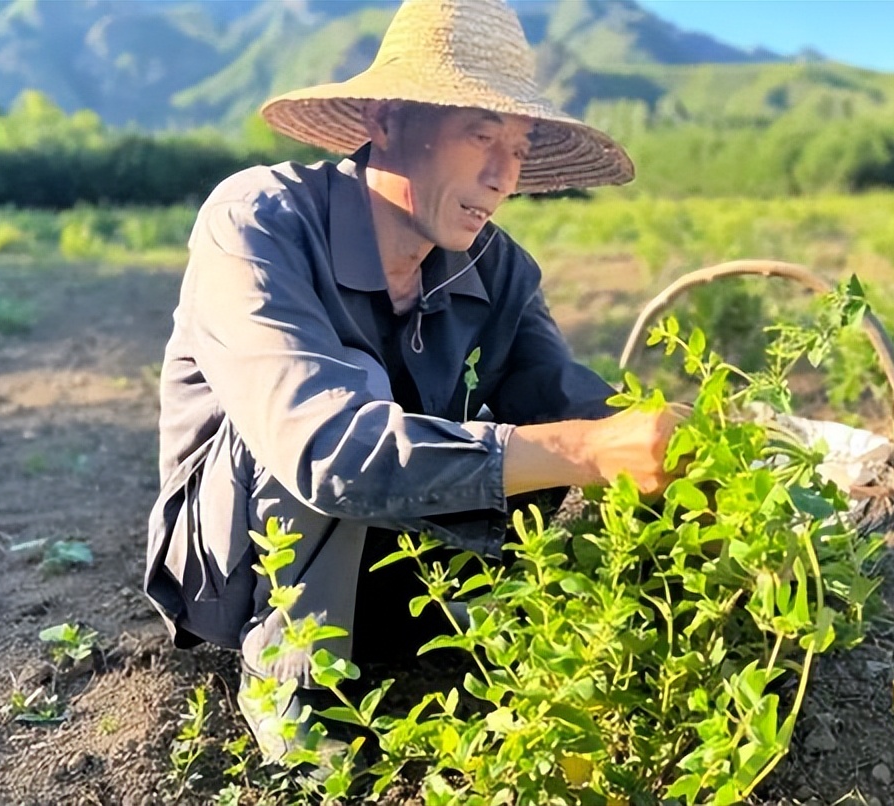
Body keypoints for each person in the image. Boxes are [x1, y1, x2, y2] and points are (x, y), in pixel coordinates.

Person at [144, 0, 677, 763]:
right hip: (245, 567)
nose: (502, 176)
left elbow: (569, 398)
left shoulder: (500, 267)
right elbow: (326, 448)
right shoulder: (258, 219)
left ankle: (434, 641)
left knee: (564, 436)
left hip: (404, 562)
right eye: (480, 136)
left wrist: (698, 444)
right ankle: (298, 699)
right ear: (387, 119)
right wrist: (584, 449)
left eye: (519, 149)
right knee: (351, 399)